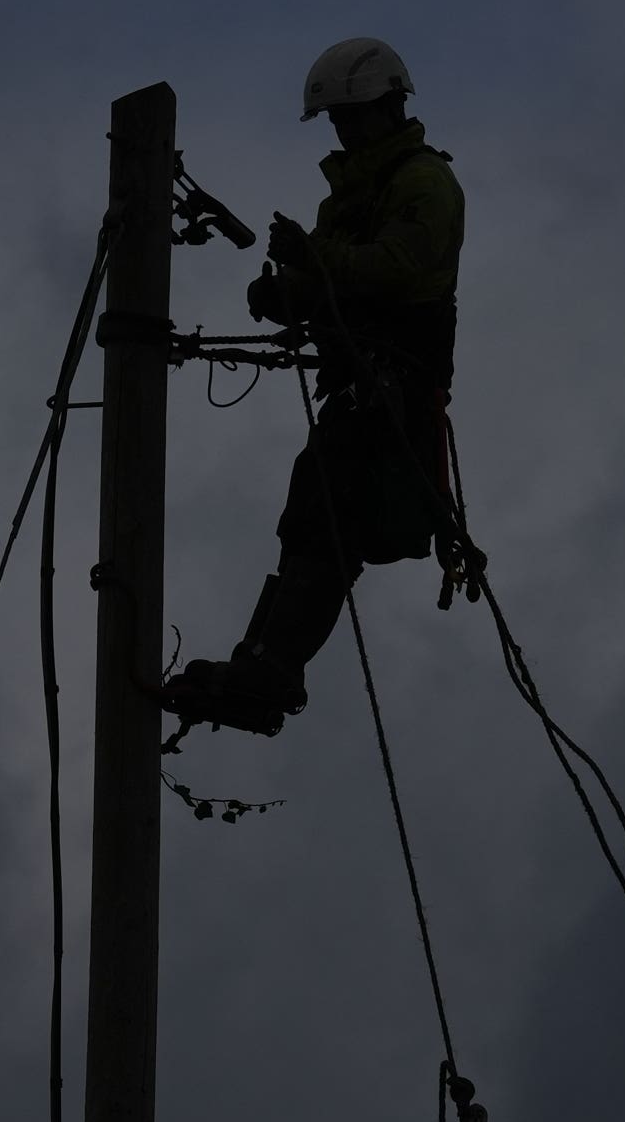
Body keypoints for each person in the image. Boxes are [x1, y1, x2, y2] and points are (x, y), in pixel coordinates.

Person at [159, 36, 467, 737]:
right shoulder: (349, 198)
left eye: (354, 117)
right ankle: (261, 665)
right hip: (355, 384)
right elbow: (340, 281)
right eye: (337, 120)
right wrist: (287, 291)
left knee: (333, 525)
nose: (344, 131)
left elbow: (395, 269)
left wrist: (311, 262)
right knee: (309, 521)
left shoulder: (425, 183)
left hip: (396, 388)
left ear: (391, 107)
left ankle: (270, 672)